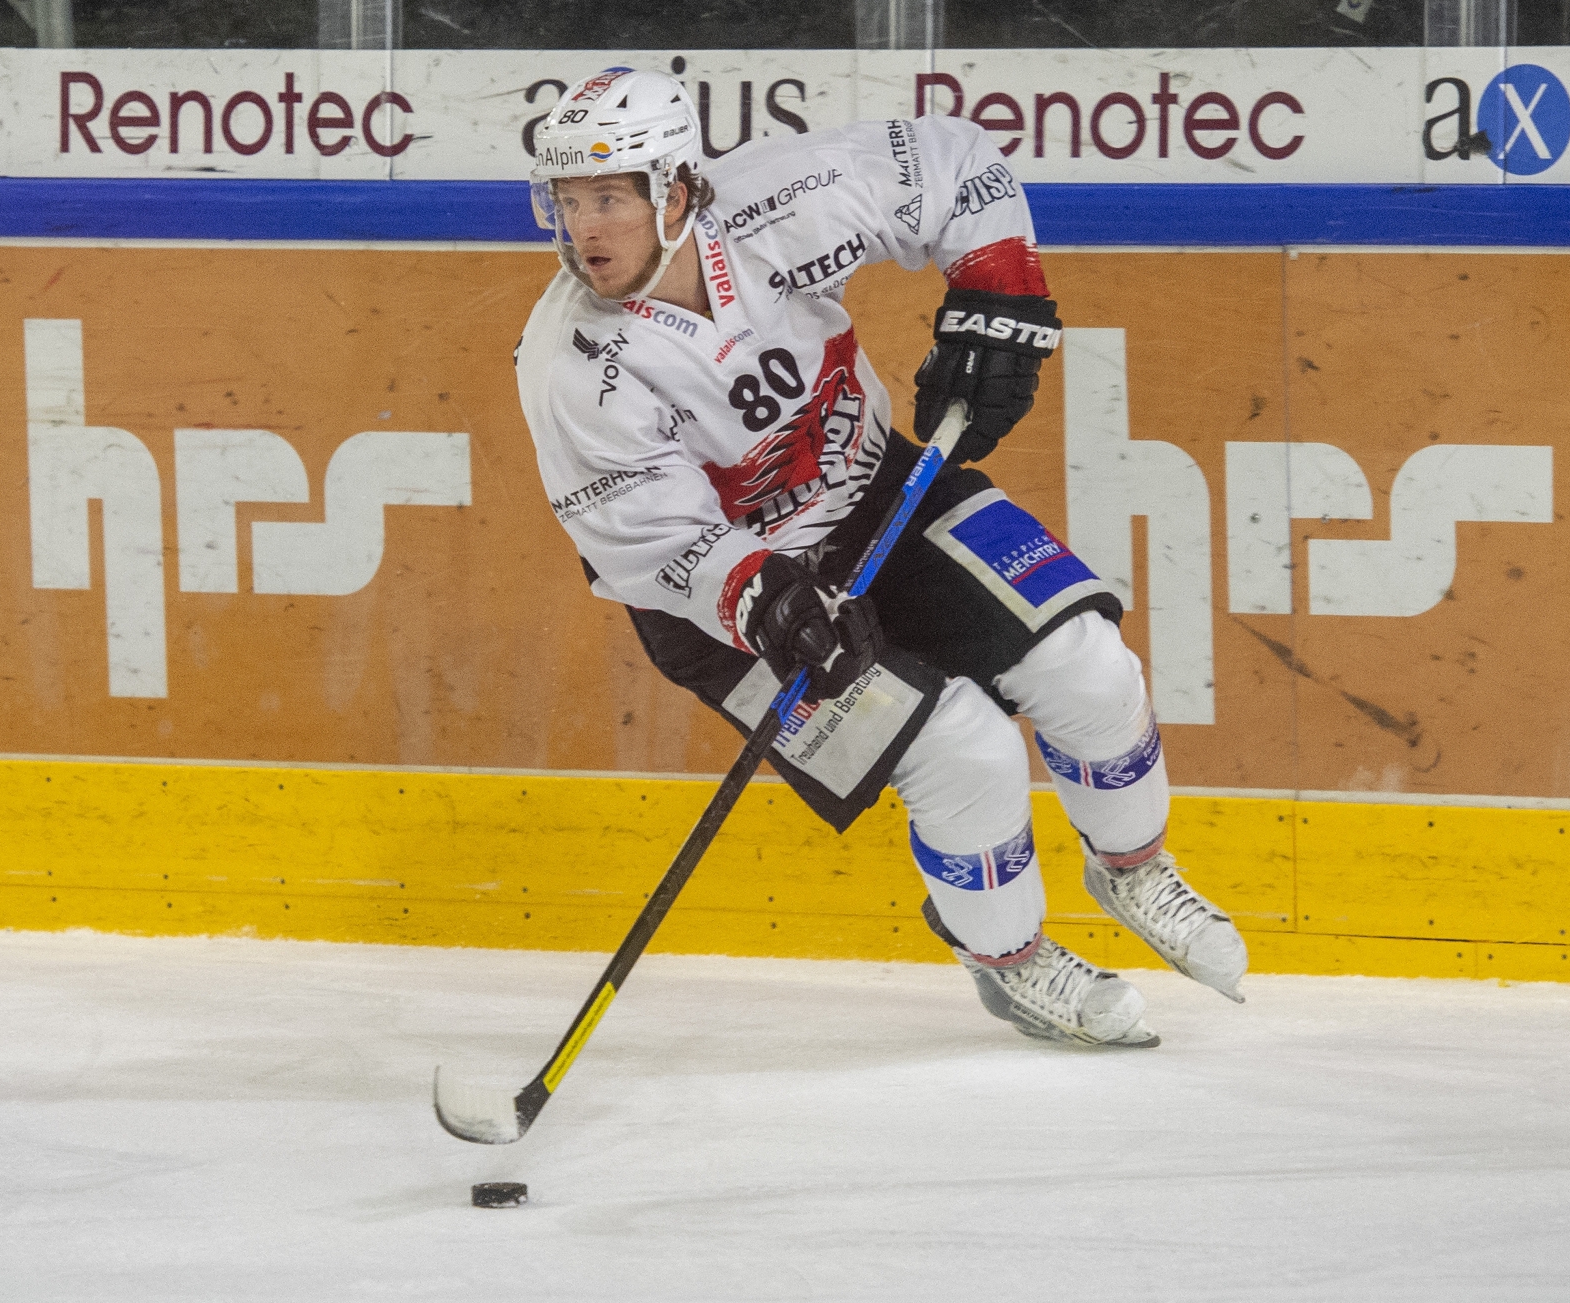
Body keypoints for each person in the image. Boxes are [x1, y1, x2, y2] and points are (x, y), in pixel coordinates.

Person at [515, 68, 1247, 1047]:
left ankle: (1131, 866)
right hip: (727, 608)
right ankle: (1009, 958)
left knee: (1085, 662)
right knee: (966, 752)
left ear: (677, 191)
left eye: (608, 198)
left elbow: (949, 166)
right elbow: (645, 542)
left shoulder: (777, 199)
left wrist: (998, 292)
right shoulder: (573, 365)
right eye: (566, 202)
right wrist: (761, 600)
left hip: (880, 492)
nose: (584, 230)